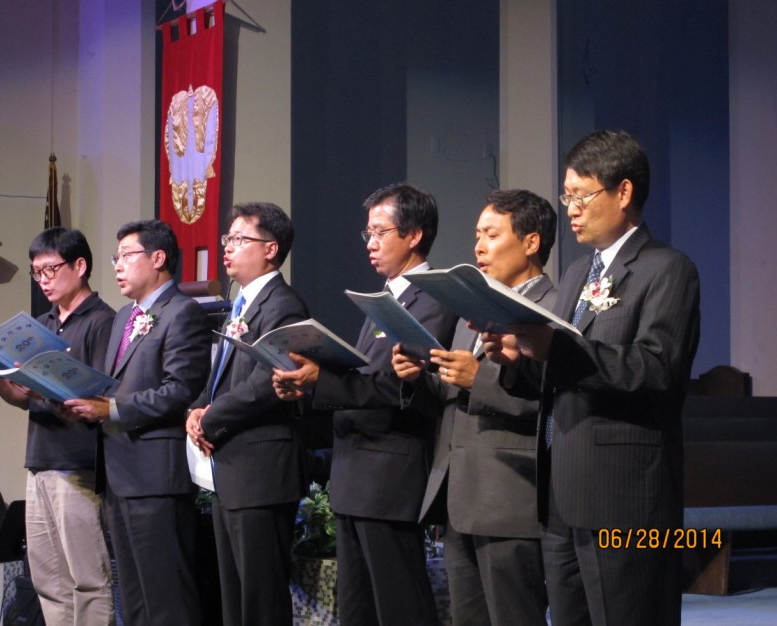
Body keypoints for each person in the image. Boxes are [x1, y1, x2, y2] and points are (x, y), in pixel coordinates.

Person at [483, 130, 700, 625]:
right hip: (562, 493)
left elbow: (656, 369)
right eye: (567, 197)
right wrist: (518, 360)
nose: (572, 210)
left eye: (581, 196)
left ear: (623, 192)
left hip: (625, 499)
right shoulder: (578, 273)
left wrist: (556, 349)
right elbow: (558, 375)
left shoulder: (667, 269)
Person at [272, 183, 458, 626]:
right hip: (355, 474)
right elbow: (364, 374)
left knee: (399, 605)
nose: (370, 244)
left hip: (390, 475)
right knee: (357, 608)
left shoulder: (433, 299)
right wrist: (308, 383)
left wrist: (321, 381)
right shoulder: (387, 298)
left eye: (380, 232)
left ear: (414, 235)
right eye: (367, 233)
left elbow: (395, 386)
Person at [391, 189, 554, 625]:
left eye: (491, 235)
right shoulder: (474, 308)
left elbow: (551, 402)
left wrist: (477, 378)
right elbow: (453, 394)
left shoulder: (552, 311)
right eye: (477, 235)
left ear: (531, 242)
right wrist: (417, 378)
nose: (479, 247)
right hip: (460, 496)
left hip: (510, 497)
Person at [65, 219, 211, 626]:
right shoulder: (124, 316)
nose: (117, 265)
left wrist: (111, 409)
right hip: (118, 474)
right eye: (116, 257)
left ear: (158, 258)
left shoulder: (182, 313)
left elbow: (180, 389)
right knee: (133, 599)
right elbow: (111, 384)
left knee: (167, 597)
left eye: (127, 256)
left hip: (156, 478)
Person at [0, 227, 115, 626]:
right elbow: (24, 398)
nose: (43, 280)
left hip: (78, 465)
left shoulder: (102, 322)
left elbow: (100, 396)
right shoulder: (42, 324)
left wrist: (44, 388)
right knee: (48, 580)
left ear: (80, 266)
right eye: (37, 272)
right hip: (40, 461)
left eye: (50, 269)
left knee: (88, 578)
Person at [185, 202, 309, 626]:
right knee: (235, 601)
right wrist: (196, 408)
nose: (228, 247)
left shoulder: (283, 305)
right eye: (229, 238)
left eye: (239, 239)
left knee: (261, 600)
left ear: (270, 249)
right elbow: (220, 373)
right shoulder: (240, 303)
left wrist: (211, 417)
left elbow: (267, 381)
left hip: (261, 472)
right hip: (231, 470)